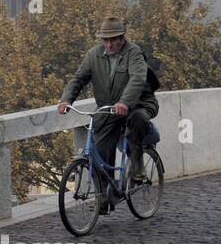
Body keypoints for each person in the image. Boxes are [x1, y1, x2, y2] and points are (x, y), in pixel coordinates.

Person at [56, 16, 159, 212]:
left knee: (137, 119)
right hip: (109, 108)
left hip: (139, 103)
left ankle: (137, 167)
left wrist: (125, 102)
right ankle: (103, 197)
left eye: (113, 40)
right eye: (106, 40)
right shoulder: (93, 55)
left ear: (122, 38)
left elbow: (137, 79)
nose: (109, 44)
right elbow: (79, 78)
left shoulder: (134, 53)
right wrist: (66, 100)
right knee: (100, 149)